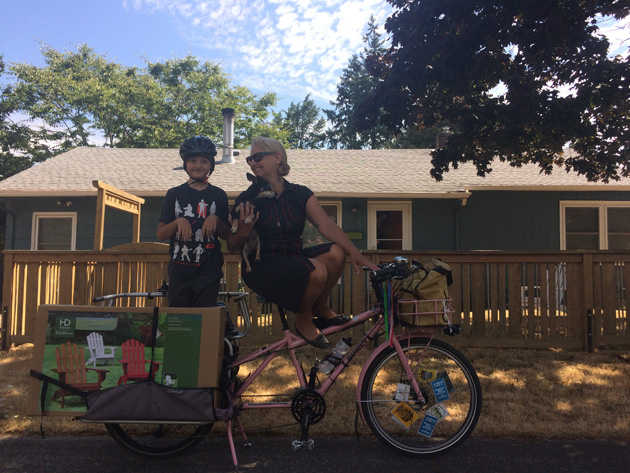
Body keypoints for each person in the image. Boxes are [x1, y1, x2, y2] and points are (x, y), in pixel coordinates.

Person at [228, 136, 379, 348]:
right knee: (316, 270)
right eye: (249, 159)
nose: (252, 163)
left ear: (277, 158)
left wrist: (355, 251)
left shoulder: (300, 194)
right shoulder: (248, 197)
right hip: (262, 267)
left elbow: (326, 225)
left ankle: (321, 309)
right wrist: (243, 230)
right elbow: (232, 245)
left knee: (337, 253)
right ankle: (304, 318)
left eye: (258, 156)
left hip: (293, 259)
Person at [157, 135, 237, 335]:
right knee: (179, 326)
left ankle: (206, 365)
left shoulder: (218, 195)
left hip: (208, 273)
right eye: (193, 160)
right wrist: (178, 222)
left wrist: (216, 220)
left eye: (204, 161)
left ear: (211, 164)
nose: (198, 165)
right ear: (185, 164)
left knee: (204, 328)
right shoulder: (174, 194)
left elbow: (227, 235)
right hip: (179, 273)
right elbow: (160, 233)